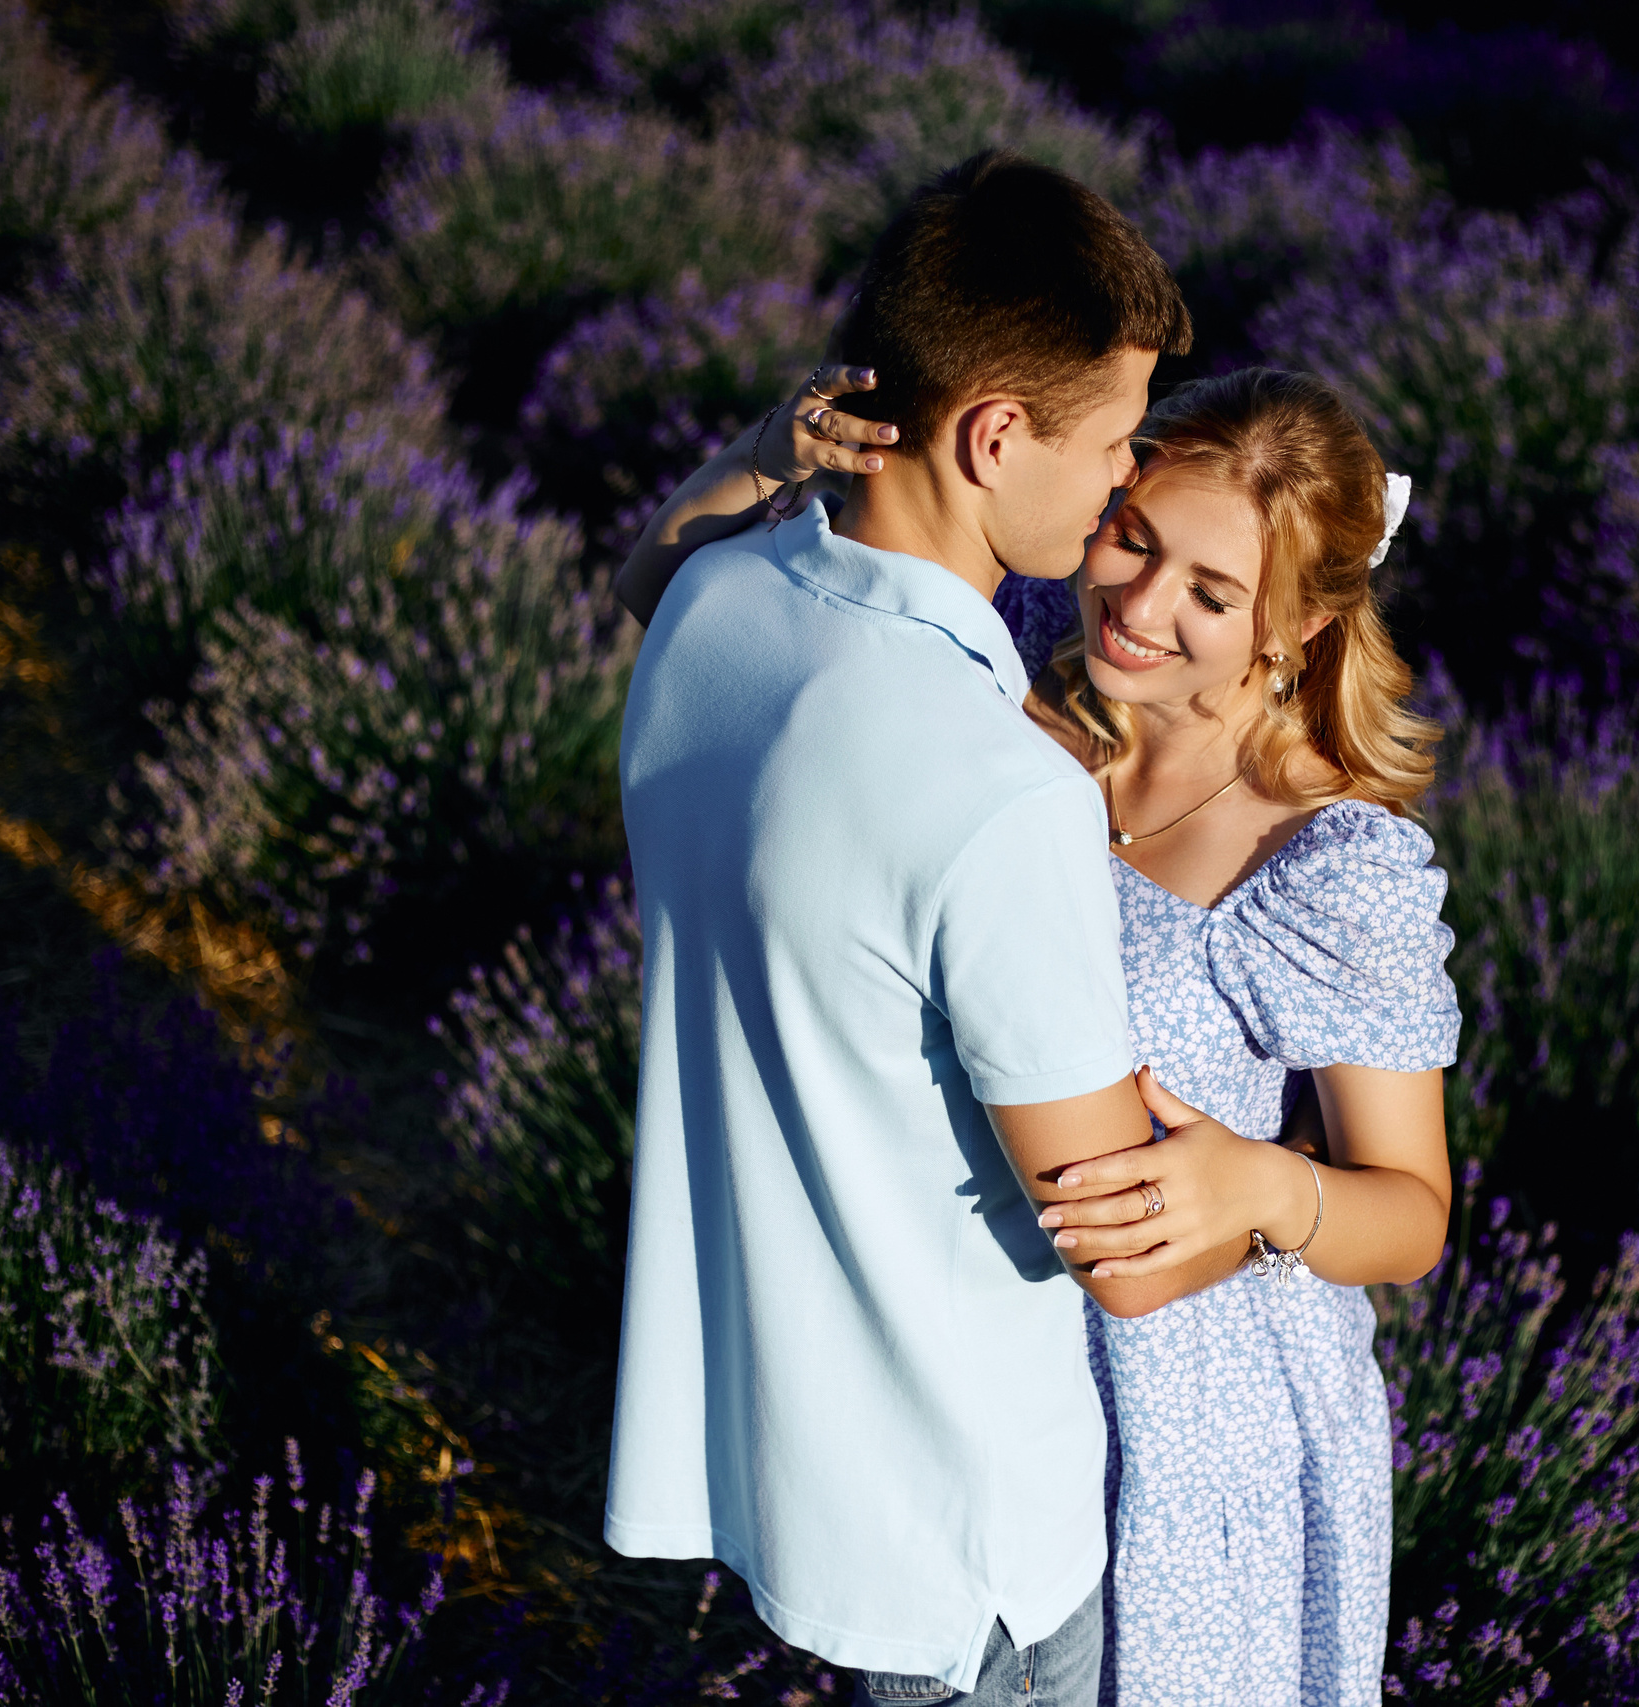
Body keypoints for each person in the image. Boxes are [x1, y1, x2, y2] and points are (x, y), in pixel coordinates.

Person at [627, 313, 1461, 1704]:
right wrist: (770, 450)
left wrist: (1265, 1186)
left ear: (1300, 623)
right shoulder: (1002, 661)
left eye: (1212, 590)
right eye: (1133, 536)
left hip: (1199, 1434)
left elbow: (1413, 1211)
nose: (1138, 608)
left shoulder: (1323, 861)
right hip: (980, 1368)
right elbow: (681, 598)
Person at [606, 150, 1241, 1707]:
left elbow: (658, 563)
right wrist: (1270, 1183)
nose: (1118, 489)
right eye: (1107, 444)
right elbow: (1125, 1255)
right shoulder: (1002, 796)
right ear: (995, 431)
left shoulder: (708, 609)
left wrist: (771, 449)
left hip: (795, 1477)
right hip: (975, 1545)